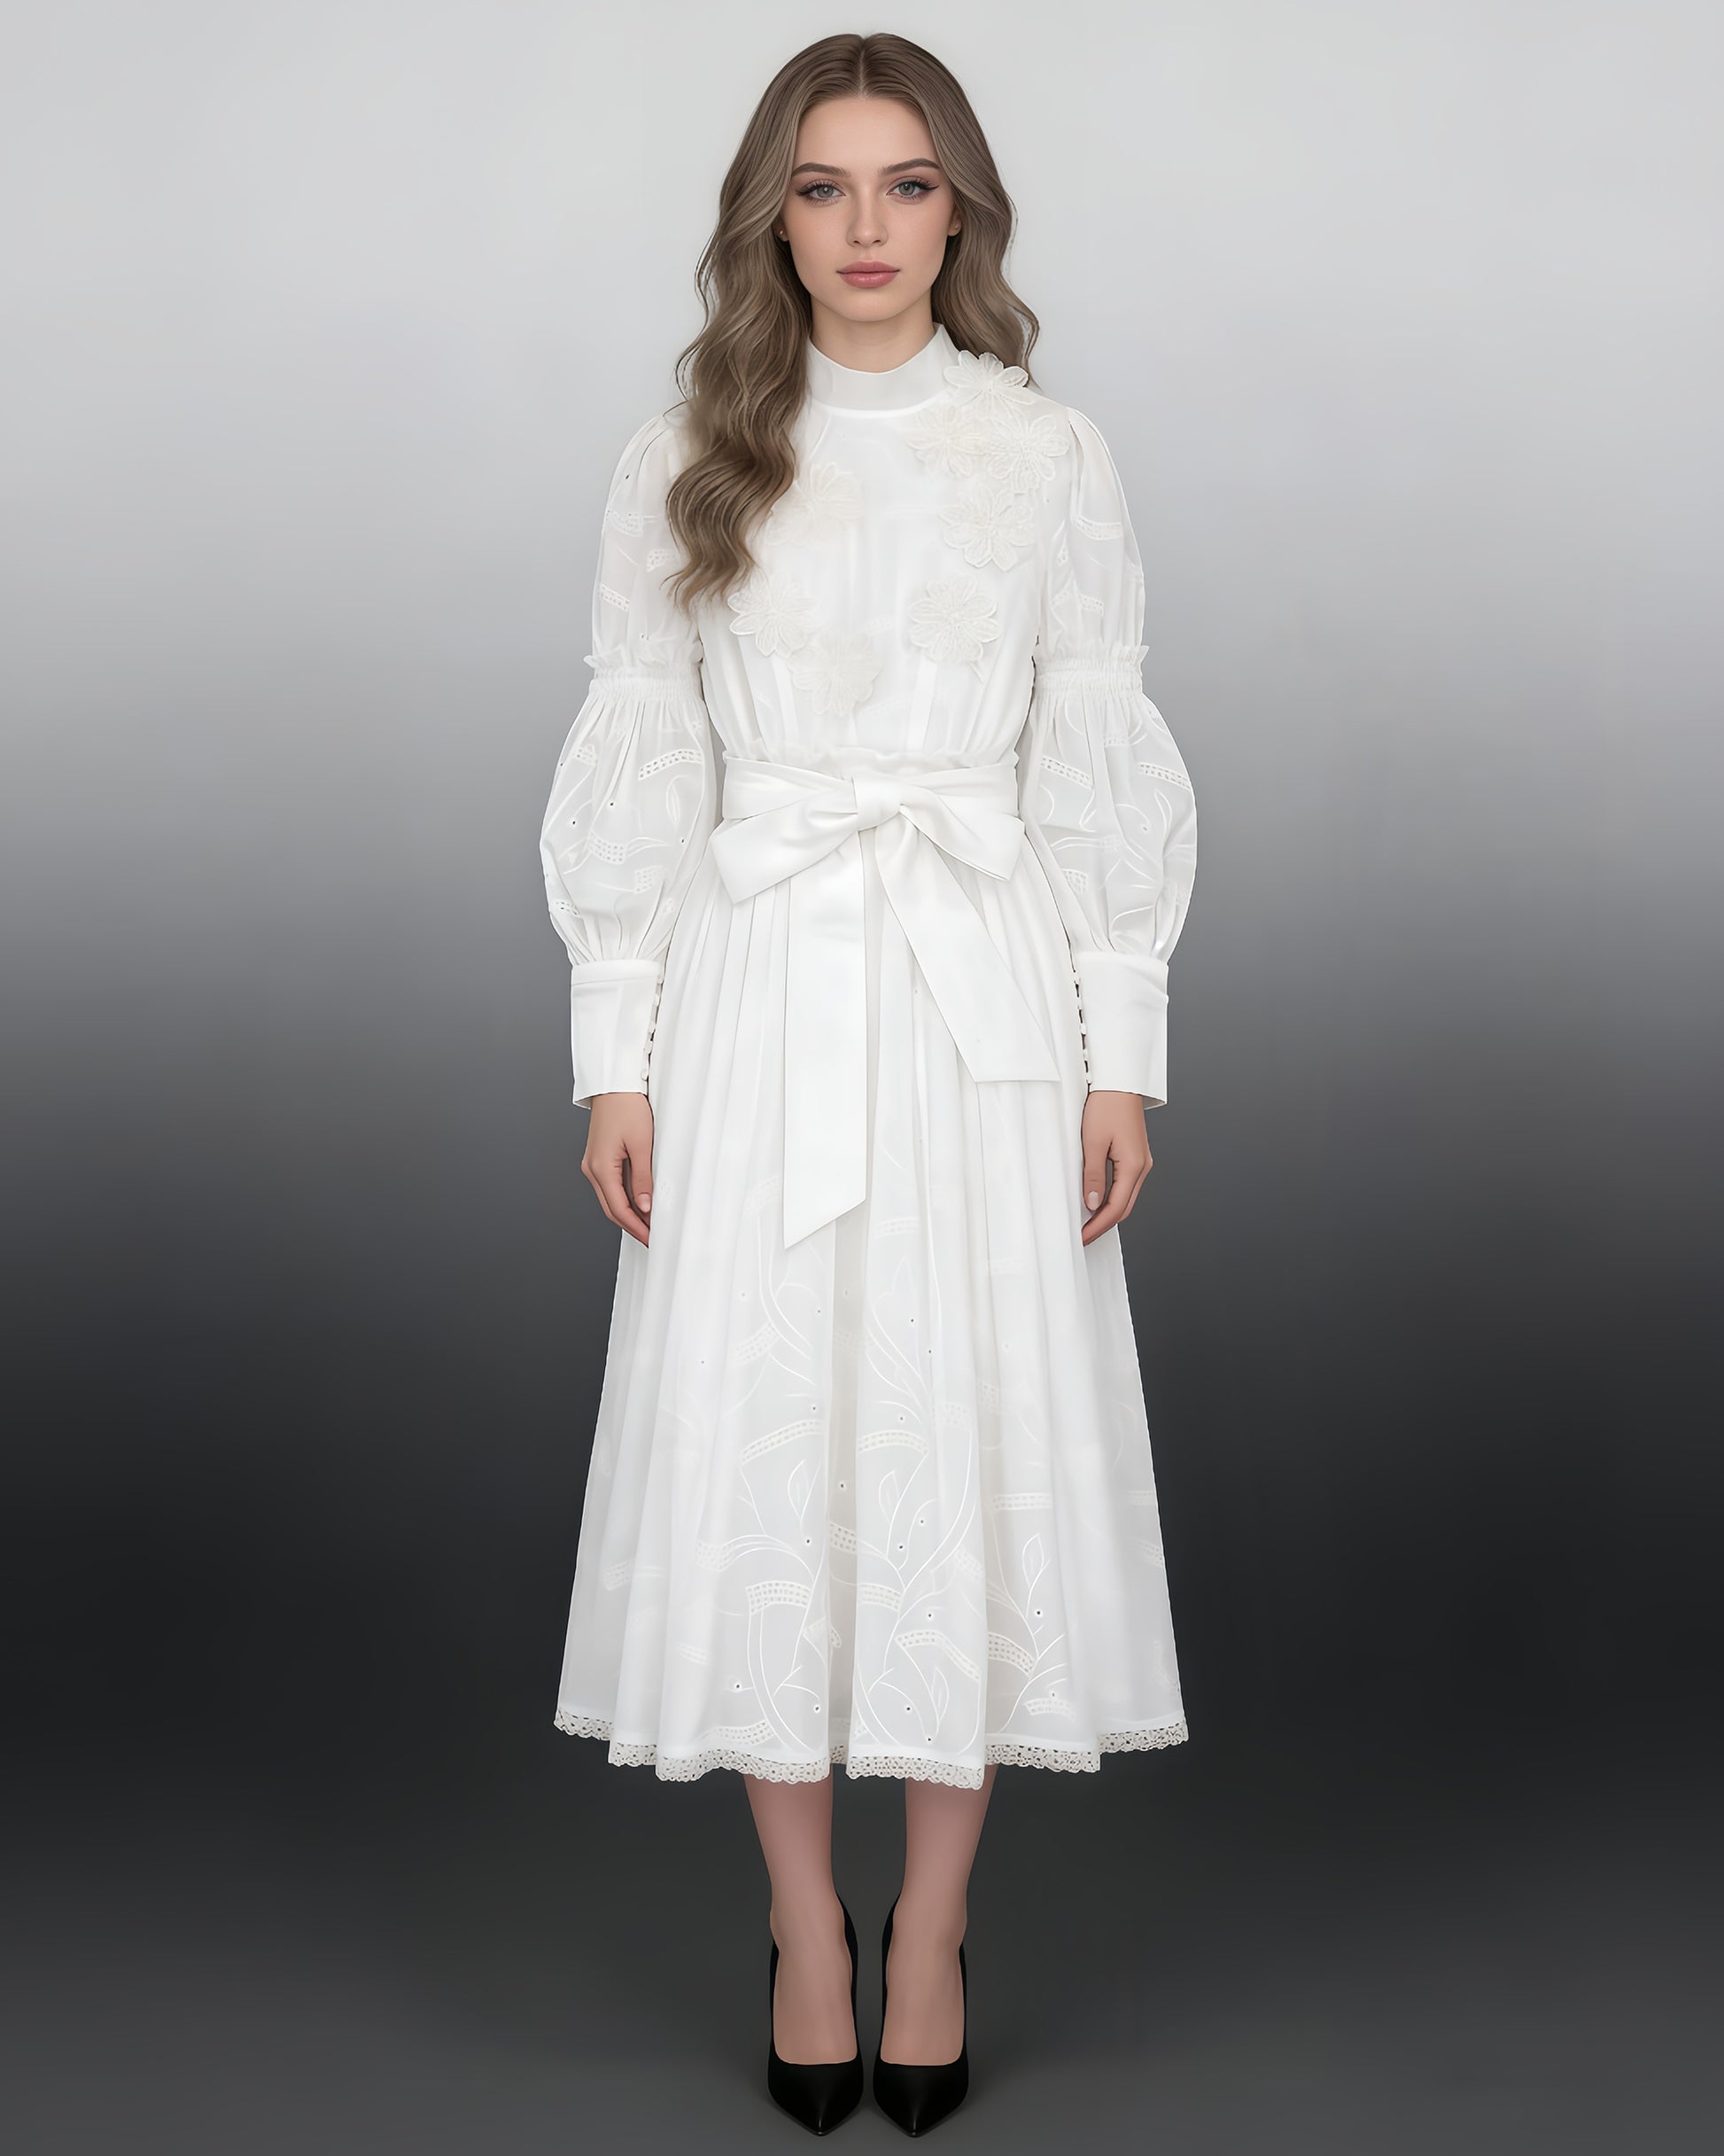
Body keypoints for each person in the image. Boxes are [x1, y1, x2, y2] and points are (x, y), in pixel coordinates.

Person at [539, 32, 1199, 2137]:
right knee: (773, 1440)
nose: (864, 230)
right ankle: (801, 1921)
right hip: (758, 995)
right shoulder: (685, 455)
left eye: (906, 186)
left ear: (960, 211)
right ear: (772, 215)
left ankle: (933, 1924)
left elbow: (1092, 752)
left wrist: (1118, 1049)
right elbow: (643, 751)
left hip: (974, 997)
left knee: (958, 1432)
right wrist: (616, 1050)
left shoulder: (1042, 455)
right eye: (821, 188)